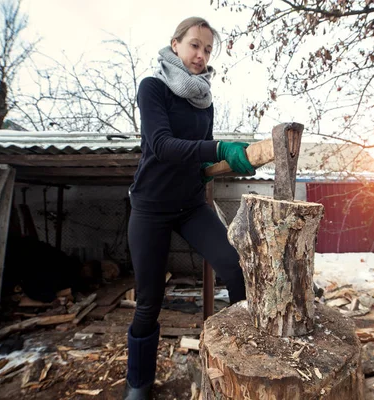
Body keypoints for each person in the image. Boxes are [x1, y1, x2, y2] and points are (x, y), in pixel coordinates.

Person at [123, 16, 254, 400]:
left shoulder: (204, 99)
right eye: (195, 45)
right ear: (175, 44)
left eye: (208, 49)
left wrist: (218, 162)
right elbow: (162, 145)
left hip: (190, 205)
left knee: (235, 267)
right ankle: (138, 384)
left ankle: (243, 360)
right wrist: (218, 148)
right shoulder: (153, 88)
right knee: (149, 302)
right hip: (150, 207)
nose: (201, 55)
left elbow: (198, 154)